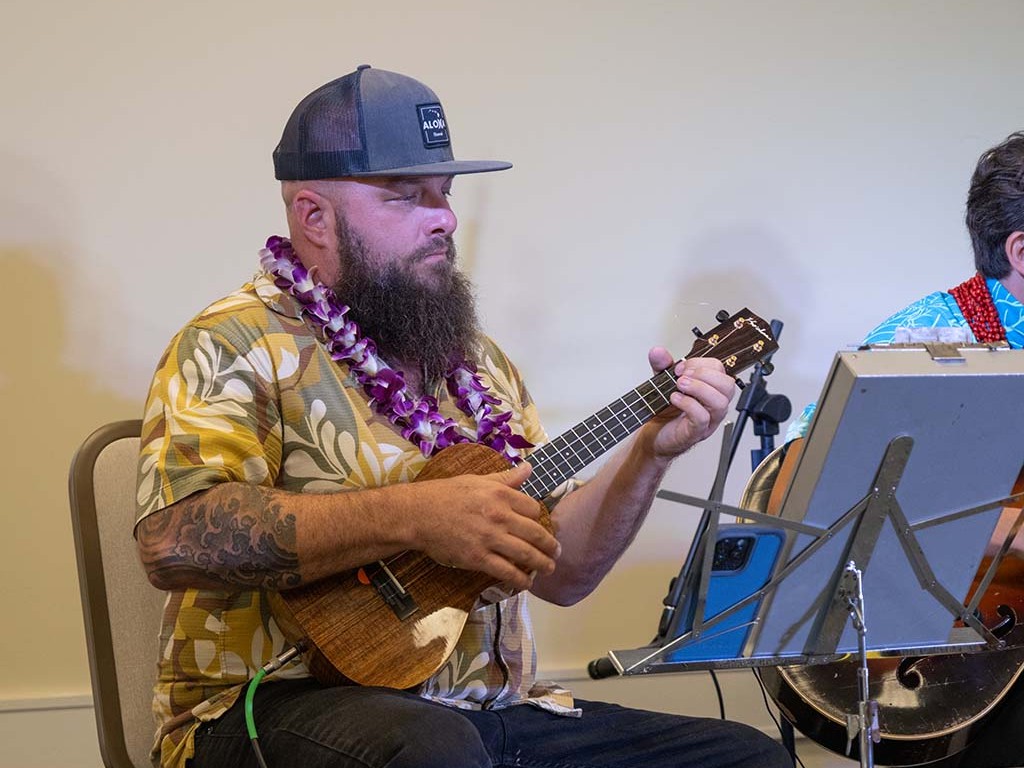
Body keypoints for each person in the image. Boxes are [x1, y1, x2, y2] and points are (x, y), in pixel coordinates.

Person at [133, 65, 792, 768]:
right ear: (313, 216)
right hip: (270, 709)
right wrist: (415, 516)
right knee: (430, 748)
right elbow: (174, 541)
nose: (444, 218)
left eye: (445, 193)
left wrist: (649, 453)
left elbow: (563, 573)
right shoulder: (232, 341)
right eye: (406, 195)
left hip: (488, 714)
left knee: (743, 757)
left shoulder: (478, 364)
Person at [783, 130, 1024, 768]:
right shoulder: (932, 338)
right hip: (948, 655)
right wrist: (1005, 532)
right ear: (1021, 251)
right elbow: (800, 486)